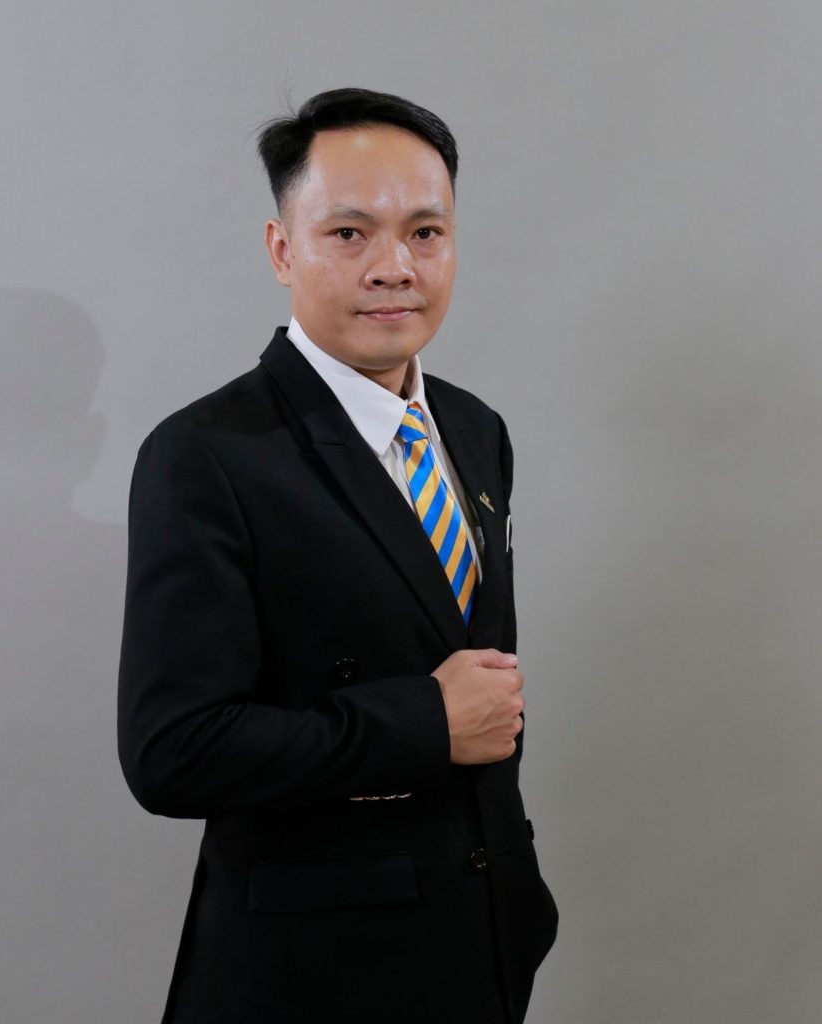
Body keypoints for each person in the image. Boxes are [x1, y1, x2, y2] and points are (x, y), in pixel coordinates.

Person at [117, 87, 558, 1024]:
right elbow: (172, 752)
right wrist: (423, 721)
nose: (394, 268)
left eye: (425, 233)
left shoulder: (474, 429)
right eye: (349, 234)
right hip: (312, 974)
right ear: (282, 249)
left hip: (479, 944)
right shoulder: (207, 454)